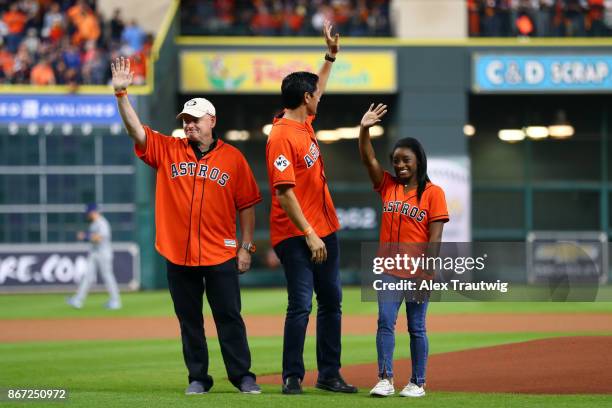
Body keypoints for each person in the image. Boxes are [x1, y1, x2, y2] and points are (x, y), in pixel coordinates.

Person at [110, 57, 262, 395]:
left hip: (220, 253)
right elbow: (136, 130)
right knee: (190, 322)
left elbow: (247, 206)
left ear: (212, 121)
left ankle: (242, 376)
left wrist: (246, 247)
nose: (189, 125)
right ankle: (198, 377)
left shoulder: (233, 158)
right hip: (178, 254)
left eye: (194, 120)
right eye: (185, 120)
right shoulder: (168, 149)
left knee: (229, 318)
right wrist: (122, 94)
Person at [265, 20, 357, 395]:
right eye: (315, 93)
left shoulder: (304, 123)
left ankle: (329, 373)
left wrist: (330, 57)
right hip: (295, 233)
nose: (319, 95)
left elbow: (319, 84)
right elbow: (285, 194)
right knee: (301, 303)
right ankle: (292, 376)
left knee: (332, 302)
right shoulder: (282, 136)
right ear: (306, 99)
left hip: (325, 228)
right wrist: (309, 233)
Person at [357, 104, 449, 398]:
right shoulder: (387, 186)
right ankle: (385, 378)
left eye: (405, 160)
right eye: (395, 161)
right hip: (389, 270)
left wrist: (427, 272)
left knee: (417, 327)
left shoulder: (434, 193)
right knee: (385, 322)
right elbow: (368, 158)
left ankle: (418, 382)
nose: (399, 165)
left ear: (419, 161)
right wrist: (364, 129)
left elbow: (435, 237)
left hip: (418, 271)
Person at [67, 203, 121, 310]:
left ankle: (116, 301)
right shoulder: (94, 223)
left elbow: (99, 238)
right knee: (87, 276)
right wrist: (87, 236)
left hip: (103, 253)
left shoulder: (102, 223)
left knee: (107, 276)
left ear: (93, 212)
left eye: (89, 212)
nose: (87, 215)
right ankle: (78, 300)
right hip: (95, 252)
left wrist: (85, 236)